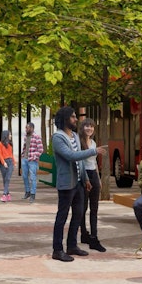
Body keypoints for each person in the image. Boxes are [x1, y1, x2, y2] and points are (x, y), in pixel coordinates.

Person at [50, 106, 104, 262]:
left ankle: (72, 245)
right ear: (66, 119)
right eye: (73, 117)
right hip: (67, 184)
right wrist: (94, 151)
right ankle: (57, 250)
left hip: (79, 183)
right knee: (62, 216)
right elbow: (71, 156)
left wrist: (86, 179)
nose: (76, 119)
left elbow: (80, 162)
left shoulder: (74, 135)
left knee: (78, 214)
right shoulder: (58, 137)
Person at [77, 118, 106, 252]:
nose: (89, 128)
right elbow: (80, 162)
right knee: (83, 208)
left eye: (92, 126)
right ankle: (84, 233)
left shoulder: (93, 143)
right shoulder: (79, 142)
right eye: (87, 126)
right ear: (82, 127)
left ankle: (94, 237)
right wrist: (86, 179)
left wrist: (98, 179)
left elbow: (93, 163)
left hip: (93, 175)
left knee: (94, 208)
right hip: (83, 176)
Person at [22, 122, 43, 203]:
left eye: (27, 128)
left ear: (32, 128)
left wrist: (33, 156)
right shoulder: (25, 136)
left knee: (32, 177)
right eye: (25, 128)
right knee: (24, 176)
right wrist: (23, 155)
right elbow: (25, 147)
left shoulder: (36, 137)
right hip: (25, 159)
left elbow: (41, 150)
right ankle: (27, 192)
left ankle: (33, 194)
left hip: (32, 161)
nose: (26, 129)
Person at [0, 130, 14, 202]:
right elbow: (0, 154)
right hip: (3, 162)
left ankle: (4, 194)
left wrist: (14, 162)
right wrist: (4, 162)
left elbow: (11, 154)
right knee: (5, 179)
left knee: (8, 178)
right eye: (9, 135)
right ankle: (8, 194)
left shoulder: (10, 145)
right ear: (6, 135)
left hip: (10, 162)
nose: (11, 136)